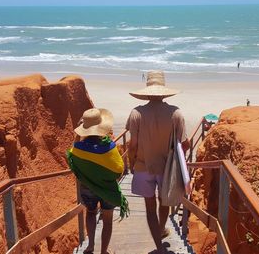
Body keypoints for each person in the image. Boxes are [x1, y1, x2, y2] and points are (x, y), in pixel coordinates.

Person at [126, 71, 189, 254]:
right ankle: (161, 231)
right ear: (164, 91)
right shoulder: (176, 113)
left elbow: (133, 145)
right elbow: (184, 144)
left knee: (149, 206)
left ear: (147, 90)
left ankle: (159, 246)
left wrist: (131, 164)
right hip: (167, 168)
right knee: (164, 203)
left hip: (143, 166)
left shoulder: (136, 113)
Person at [67, 108, 128, 254]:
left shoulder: (79, 148)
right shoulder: (109, 147)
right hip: (107, 188)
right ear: (101, 127)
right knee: (107, 220)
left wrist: (77, 135)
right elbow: (119, 168)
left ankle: (90, 246)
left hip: (88, 187)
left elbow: (71, 157)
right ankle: (104, 251)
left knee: (90, 212)